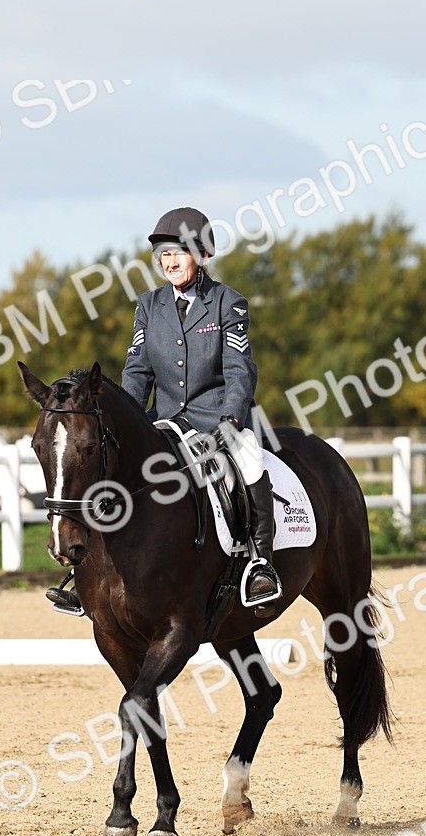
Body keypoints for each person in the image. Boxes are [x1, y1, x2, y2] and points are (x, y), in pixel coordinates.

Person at [46, 207, 282, 616]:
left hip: (217, 417)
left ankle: (261, 563)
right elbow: (137, 370)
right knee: (114, 468)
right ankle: (88, 574)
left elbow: (239, 370)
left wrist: (231, 419)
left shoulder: (229, 303)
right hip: (166, 419)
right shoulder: (148, 306)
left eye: (179, 253)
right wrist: (129, 419)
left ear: (203, 253)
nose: (170, 262)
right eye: (163, 255)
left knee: (249, 461)